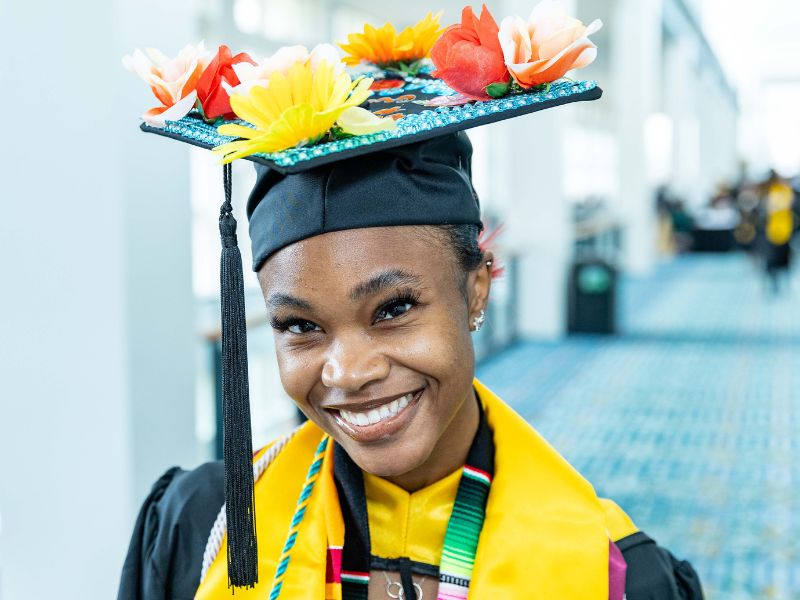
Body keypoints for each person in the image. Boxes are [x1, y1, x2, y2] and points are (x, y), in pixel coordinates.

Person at [118, 5, 703, 599]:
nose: (349, 371)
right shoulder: (203, 527)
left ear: (478, 287)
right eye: (300, 324)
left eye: (393, 309)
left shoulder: (613, 574)